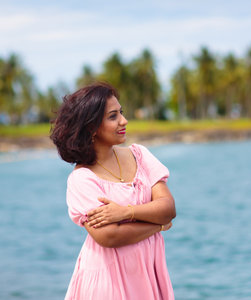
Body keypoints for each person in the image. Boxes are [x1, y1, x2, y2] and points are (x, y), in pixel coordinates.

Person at [50, 82, 176, 300]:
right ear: (91, 127)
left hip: (147, 273)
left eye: (122, 113)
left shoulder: (140, 155)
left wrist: (127, 213)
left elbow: (168, 207)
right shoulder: (82, 179)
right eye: (113, 116)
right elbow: (109, 236)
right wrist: (159, 225)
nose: (123, 121)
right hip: (107, 281)